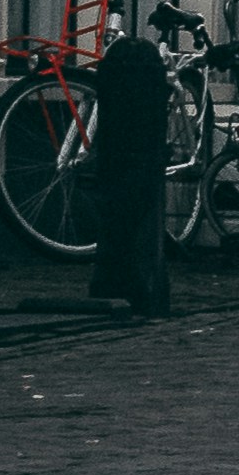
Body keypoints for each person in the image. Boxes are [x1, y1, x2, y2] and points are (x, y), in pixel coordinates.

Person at [87, 24, 174, 320]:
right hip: (140, 158)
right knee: (137, 200)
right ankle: (144, 285)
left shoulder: (117, 68)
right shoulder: (147, 69)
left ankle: (114, 279)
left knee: (121, 201)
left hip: (118, 158)